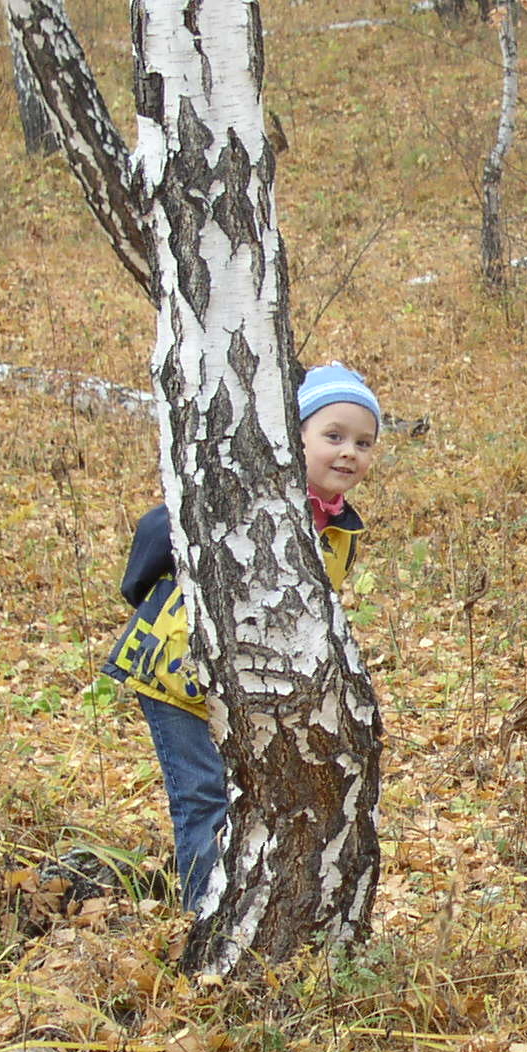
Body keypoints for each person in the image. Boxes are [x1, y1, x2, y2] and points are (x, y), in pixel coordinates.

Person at [105, 362, 382, 911]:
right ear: (291, 436)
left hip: (251, 691)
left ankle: (238, 902)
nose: (349, 452)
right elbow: (158, 529)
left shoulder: (341, 527)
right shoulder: (242, 495)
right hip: (176, 674)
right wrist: (148, 601)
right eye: (333, 436)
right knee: (202, 795)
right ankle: (201, 915)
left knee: (248, 797)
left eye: (363, 442)